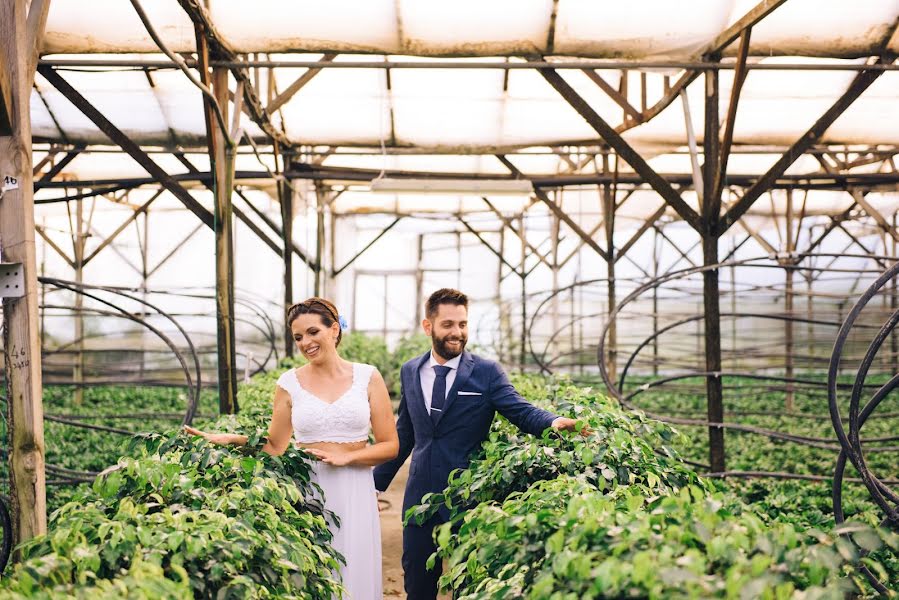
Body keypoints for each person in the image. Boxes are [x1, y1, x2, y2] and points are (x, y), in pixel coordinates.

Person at [372, 288, 580, 599]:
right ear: (428, 326)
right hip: (418, 496)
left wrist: (552, 422)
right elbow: (406, 433)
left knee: (465, 583)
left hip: (466, 497)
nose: (457, 333)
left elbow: (519, 410)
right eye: (448, 325)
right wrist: (373, 486)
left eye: (463, 324)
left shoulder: (486, 372)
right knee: (416, 579)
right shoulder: (411, 370)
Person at [185, 297, 398, 600]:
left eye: (313, 332)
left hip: (354, 489)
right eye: (298, 337)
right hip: (310, 491)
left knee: (355, 569)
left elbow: (390, 446)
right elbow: (276, 445)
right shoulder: (289, 383)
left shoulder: (367, 376)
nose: (305, 342)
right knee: (315, 573)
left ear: (334, 330)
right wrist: (235, 440)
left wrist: (348, 456)